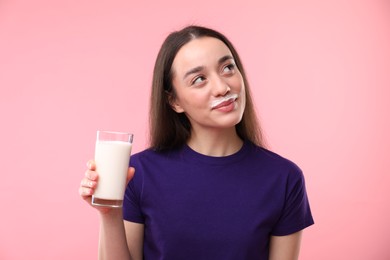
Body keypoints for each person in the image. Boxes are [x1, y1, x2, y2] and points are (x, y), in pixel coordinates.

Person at [79, 25, 314, 260]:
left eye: (228, 68)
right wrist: (109, 214)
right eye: (199, 79)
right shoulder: (136, 173)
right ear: (174, 101)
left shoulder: (284, 179)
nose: (223, 87)